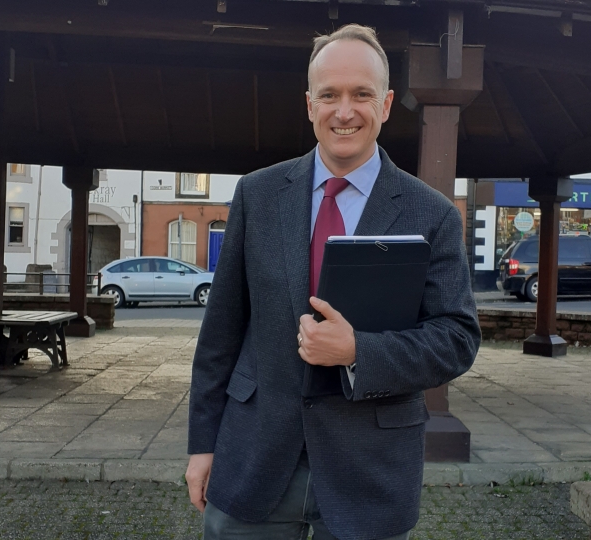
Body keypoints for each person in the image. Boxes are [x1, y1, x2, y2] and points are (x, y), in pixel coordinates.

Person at [185, 24, 481, 540]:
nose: (344, 112)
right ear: (309, 105)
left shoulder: (430, 213)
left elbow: (457, 339)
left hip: (371, 472)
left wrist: (357, 352)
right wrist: (201, 444)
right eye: (330, 96)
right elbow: (221, 335)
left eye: (361, 94)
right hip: (252, 457)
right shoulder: (258, 195)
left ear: (386, 104)